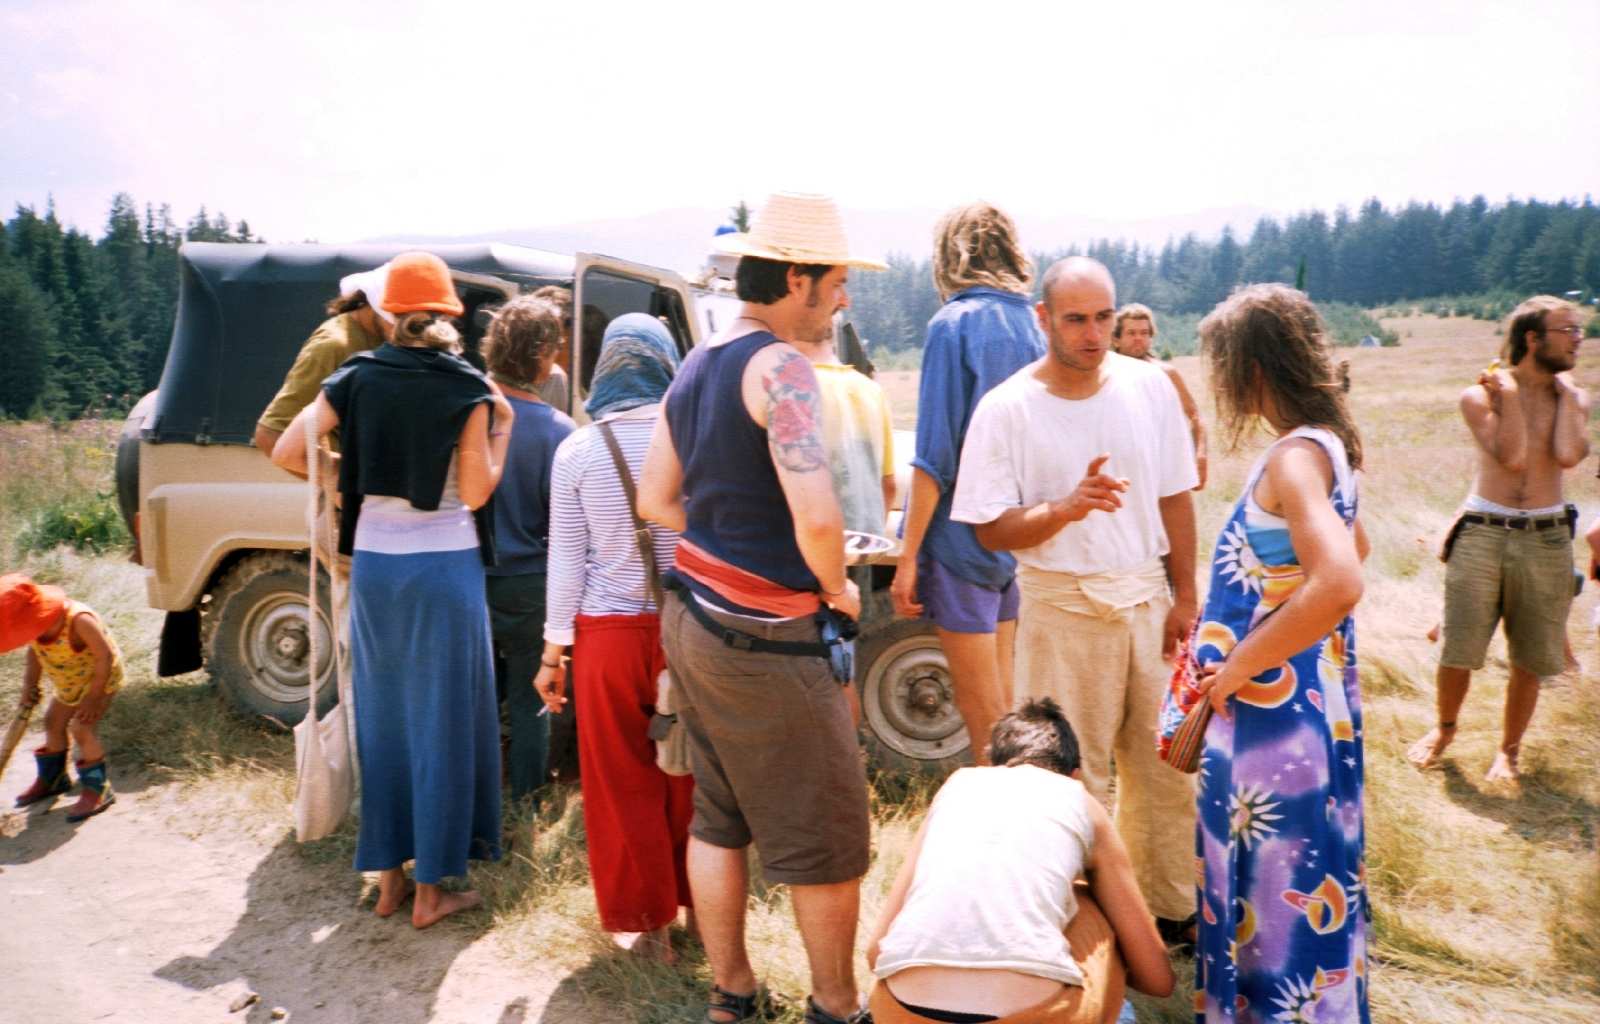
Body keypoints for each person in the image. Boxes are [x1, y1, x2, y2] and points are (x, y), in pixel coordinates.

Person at [638, 191, 882, 1024]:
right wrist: (836, 588)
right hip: (767, 635)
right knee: (828, 835)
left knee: (719, 817)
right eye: (837, 282)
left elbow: (656, 499)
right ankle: (837, 1006)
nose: (843, 298)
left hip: (695, 619)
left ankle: (732, 993)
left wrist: (724, 542)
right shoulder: (782, 369)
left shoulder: (696, 362)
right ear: (797, 279)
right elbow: (818, 518)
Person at [950, 256, 1199, 940]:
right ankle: (1069, 923)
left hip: (1148, 601)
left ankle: (1168, 914)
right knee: (1063, 777)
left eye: (1104, 318)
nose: (1093, 334)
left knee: (1167, 767)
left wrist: (1186, 595)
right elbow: (989, 528)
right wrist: (1064, 509)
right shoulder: (1007, 408)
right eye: (1076, 319)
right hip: (1059, 609)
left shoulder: (1149, 387)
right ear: (1043, 319)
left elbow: (1175, 495)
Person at [272, 251, 510, 929]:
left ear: (390, 314)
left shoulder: (354, 377)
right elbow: (474, 492)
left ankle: (388, 881)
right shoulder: (467, 385)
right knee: (442, 718)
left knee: (383, 715)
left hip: (376, 565)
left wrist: (348, 474)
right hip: (444, 568)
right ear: (448, 316)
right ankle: (433, 890)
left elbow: (288, 449)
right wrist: (504, 433)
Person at [1174, 283, 1369, 1023]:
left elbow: (1341, 578)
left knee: (1271, 903)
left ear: (1252, 370)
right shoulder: (1330, 447)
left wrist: (1241, 663)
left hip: (1270, 725)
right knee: (1307, 884)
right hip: (1313, 711)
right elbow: (1355, 548)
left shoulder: (1293, 458)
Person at [533, 312, 694, 963]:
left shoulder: (576, 451)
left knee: (621, 780)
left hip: (607, 638)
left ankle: (651, 928)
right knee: (693, 775)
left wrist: (553, 654)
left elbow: (566, 563)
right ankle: (704, 912)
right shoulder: (691, 436)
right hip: (688, 631)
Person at [865, 698, 1175, 1024]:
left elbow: (876, 952)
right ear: (1075, 775)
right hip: (1038, 1015)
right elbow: (1158, 979)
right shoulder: (1079, 799)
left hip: (899, 1011)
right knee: (1087, 899)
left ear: (992, 764)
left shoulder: (956, 786)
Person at [1408, 295, 1588, 782]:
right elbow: (1513, 456)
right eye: (1567, 330)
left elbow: (1568, 455)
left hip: (1548, 537)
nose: (1578, 339)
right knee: (1458, 647)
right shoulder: (1479, 396)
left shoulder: (1573, 398)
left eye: (1579, 330)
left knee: (1530, 655)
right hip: (1483, 533)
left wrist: (1570, 399)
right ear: (1533, 338)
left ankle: (1508, 753)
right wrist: (1508, 395)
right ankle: (1444, 730)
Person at [889, 202, 1045, 763]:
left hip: (959, 541)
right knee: (1009, 718)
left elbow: (935, 457)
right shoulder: (1034, 324)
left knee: (987, 730)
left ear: (949, 255)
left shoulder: (953, 325)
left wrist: (907, 558)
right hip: (1014, 538)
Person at [482, 295, 575, 801]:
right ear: (540, 354)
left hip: (467, 574)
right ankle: (527, 798)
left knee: (472, 694)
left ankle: (473, 792)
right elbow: (564, 525)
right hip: (529, 583)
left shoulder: (469, 412)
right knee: (530, 696)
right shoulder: (558, 431)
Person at [4, 574, 125, 821]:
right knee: (52, 723)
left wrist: (94, 697)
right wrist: (29, 685)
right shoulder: (36, 629)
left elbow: (105, 656)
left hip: (100, 681)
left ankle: (98, 788)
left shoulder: (79, 620)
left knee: (81, 727)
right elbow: (35, 655)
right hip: (69, 683)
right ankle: (54, 778)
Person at [1111, 304, 1208, 490]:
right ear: (1116, 339)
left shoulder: (1166, 373)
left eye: (1144, 333)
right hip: (1118, 470)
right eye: (1131, 333)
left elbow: (1195, 416)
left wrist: (1200, 457)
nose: (1138, 338)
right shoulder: (1104, 374)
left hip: (1160, 469)